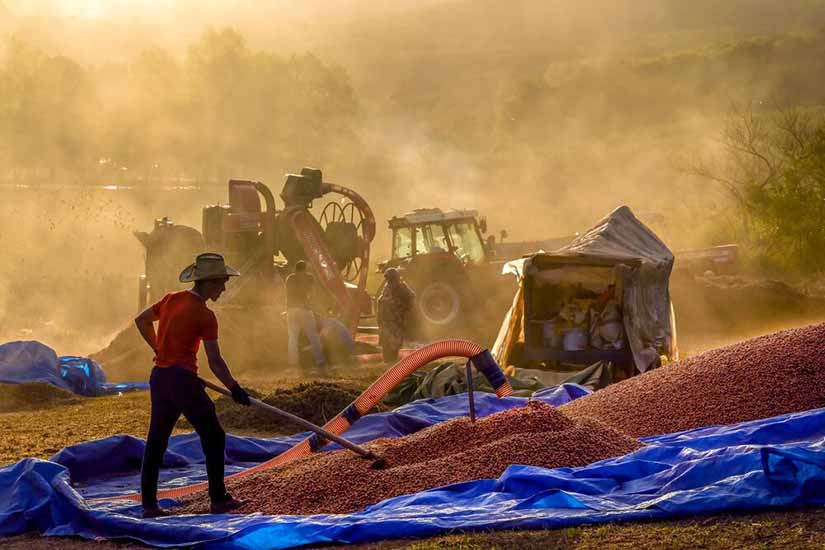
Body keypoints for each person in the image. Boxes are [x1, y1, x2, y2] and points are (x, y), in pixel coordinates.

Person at [134, 252, 252, 518]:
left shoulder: (170, 299)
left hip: (160, 376)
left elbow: (141, 321)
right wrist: (234, 387)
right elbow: (215, 361)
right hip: (182, 381)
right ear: (209, 282)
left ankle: (149, 506)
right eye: (222, 282)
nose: (224, 288)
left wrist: (158, 348)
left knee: (156, 441)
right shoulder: (205, 315)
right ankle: (218, 499)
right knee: (214, 435)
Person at [285, 260, 327, 372]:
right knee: (313, 336)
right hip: (304, 309)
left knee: (293, 337)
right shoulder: (309, 277)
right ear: (305, 269)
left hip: (291, 309)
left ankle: (292, 364)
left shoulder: (290, 278)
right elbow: (313, 293)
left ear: (295, 268)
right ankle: (320, 361)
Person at [377, 268, 416, 363]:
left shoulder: (402, 287)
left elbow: (411, 298)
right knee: (386, 341)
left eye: (391, 279)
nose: (390, 281)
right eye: (388, 279)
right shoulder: (387, 287)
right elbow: (381, 301)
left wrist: (403, 308)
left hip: (396, 319)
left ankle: (392, 359)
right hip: (387, 319)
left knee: (395, 341)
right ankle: (388, 359)